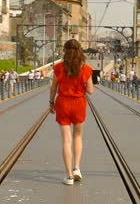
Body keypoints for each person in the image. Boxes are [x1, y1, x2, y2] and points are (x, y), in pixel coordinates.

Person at [49, 39, 94, 186]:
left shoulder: (59, 68)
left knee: (66, 140)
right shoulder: (85, 69)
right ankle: (77, 168)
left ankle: (68, 177)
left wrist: (51, 103)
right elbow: (91, 91)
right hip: (79, 103)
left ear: (65, 51)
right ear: (79, 51)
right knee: (78, 136)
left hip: (63, 103)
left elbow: (53, 87)